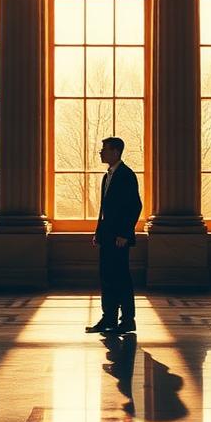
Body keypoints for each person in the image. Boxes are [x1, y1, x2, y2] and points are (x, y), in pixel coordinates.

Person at [86, 137, 143, 335]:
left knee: (121, 278)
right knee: (107, 276)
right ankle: (109, 317)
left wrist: (124, 234)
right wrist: (98, 232)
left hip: (119, 238)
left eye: (104, 149)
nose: (101, 152)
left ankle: (127, 320)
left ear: (116, 152)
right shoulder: (107, 176)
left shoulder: (127, 175)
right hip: (107, 236)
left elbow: (134, 206)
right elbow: (105, 209)